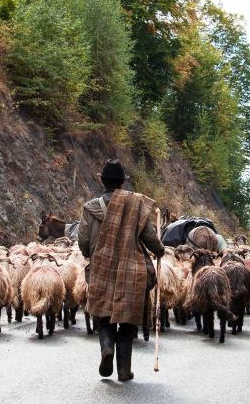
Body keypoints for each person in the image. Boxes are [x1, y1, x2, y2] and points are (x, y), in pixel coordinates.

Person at [78, 159, 164, 381]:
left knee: (103, 316)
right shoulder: (136, 205)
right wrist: (160, 250)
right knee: (127, 320)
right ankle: (124, 370)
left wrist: (95, 254)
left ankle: (107, 348)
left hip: (101, 268)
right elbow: (150, 238)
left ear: (102, 180)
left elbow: (84, 243)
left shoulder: (90, 208)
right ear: (123, 183)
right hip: (131, 270)